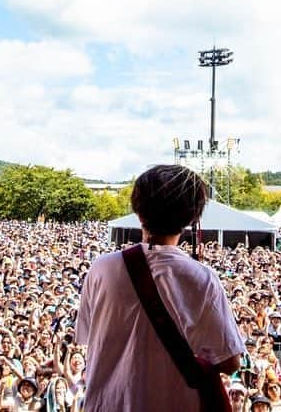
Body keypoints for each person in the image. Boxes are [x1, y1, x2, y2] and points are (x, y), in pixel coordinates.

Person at [75, 164, 243, 411]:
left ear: (138, 211)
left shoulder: (101, 268)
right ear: (192, 218)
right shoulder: (203, 278)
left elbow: (89, 338)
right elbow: (230, 362)